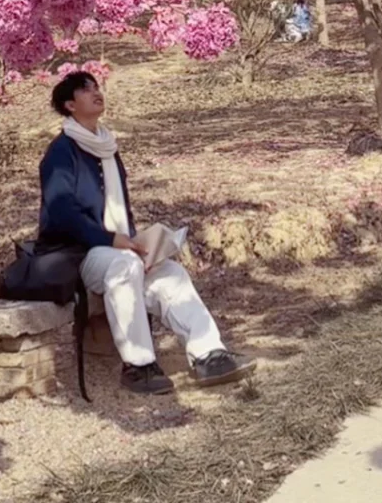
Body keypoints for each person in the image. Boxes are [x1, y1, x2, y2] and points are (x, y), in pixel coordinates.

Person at [37, 70, 256, 397]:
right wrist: (113, 241)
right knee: (125, 267)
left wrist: (142, 247)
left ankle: (209, 354)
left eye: (97, 86)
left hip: (118, 250)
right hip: (77, 255)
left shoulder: (107, 145)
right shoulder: (61, 152)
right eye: (86, 90)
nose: (97, 92)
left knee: (171, 271)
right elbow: (61, 212)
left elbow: (117, 210)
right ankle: (138, 366)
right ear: (70, 105)